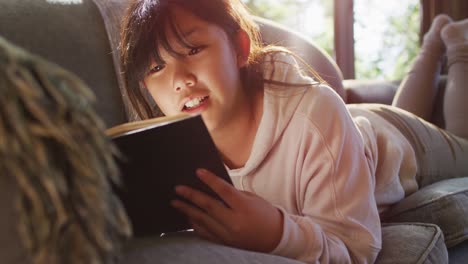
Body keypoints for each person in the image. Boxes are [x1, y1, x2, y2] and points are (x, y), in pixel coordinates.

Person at [119, 0, 468, 263]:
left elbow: (356, 246)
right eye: (157, 66)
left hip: (395, 141)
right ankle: (433, 45)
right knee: (406, 105)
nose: (180, 80)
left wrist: (276, 232)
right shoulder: (169, 145)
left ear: (240, 49)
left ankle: (459, 47)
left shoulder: (313, 114)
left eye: (193, 49)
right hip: (349, 127)